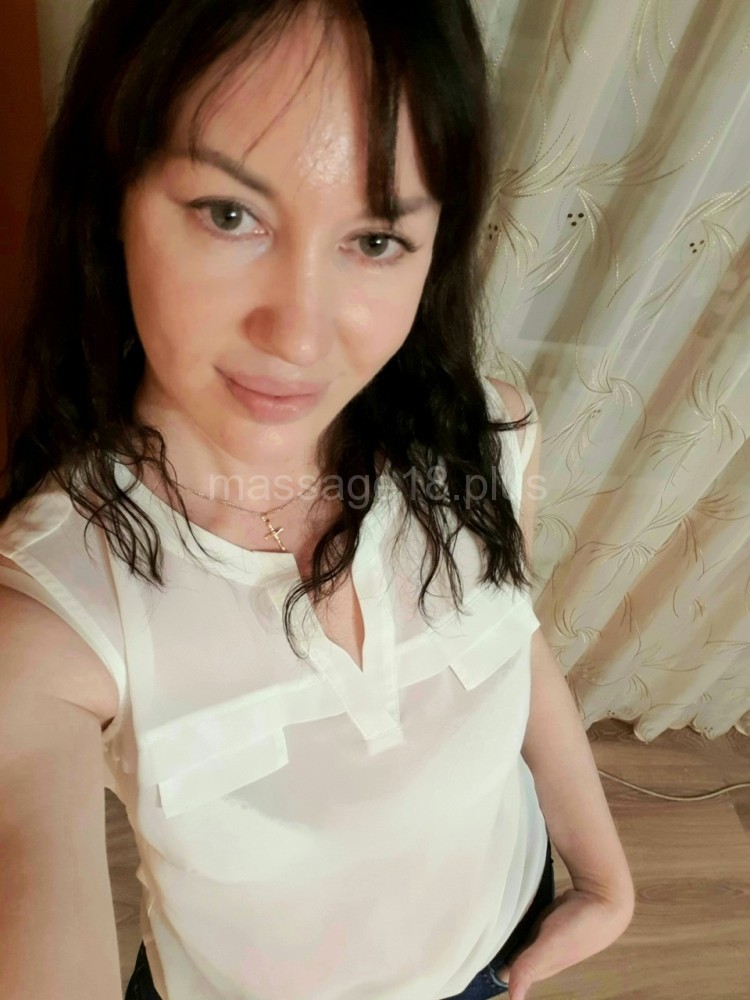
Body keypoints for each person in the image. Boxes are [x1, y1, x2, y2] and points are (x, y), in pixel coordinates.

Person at [0, 2, 636, 999]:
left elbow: (506, 636)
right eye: (229, 214)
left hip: (502, 939)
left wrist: (603, 876)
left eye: (375, 238)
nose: (298, 336)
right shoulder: (54, 619)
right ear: (113, 194)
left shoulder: (488, 432)